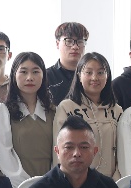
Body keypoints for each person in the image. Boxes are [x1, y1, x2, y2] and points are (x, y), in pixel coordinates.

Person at [53, 52, 124, 181]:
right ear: (79, 75)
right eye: (89, 72)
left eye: (100, 72)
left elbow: (123, 150)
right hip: (76, 181)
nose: (95, 77)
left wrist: (116, 180)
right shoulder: (67, 107)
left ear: (107, 76)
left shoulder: (117, 110)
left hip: (111, 181)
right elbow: (59, 149)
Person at [0, 51, 56, 188]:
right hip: (18, 187)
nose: (29, 78)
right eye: (24, 72)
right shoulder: (3, 111)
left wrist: (49, 183)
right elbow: (4, 157)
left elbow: (58, 154)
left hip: (51, 186)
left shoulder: (54, 112)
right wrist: (28, 187)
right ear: (14, 75)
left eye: (35, 72)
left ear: (43, 76)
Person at [45, 21, 88, 105]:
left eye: (80, 41)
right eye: (69, 41)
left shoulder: (92, 77)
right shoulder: (46, 77)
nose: (75, 47)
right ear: (57, 44)